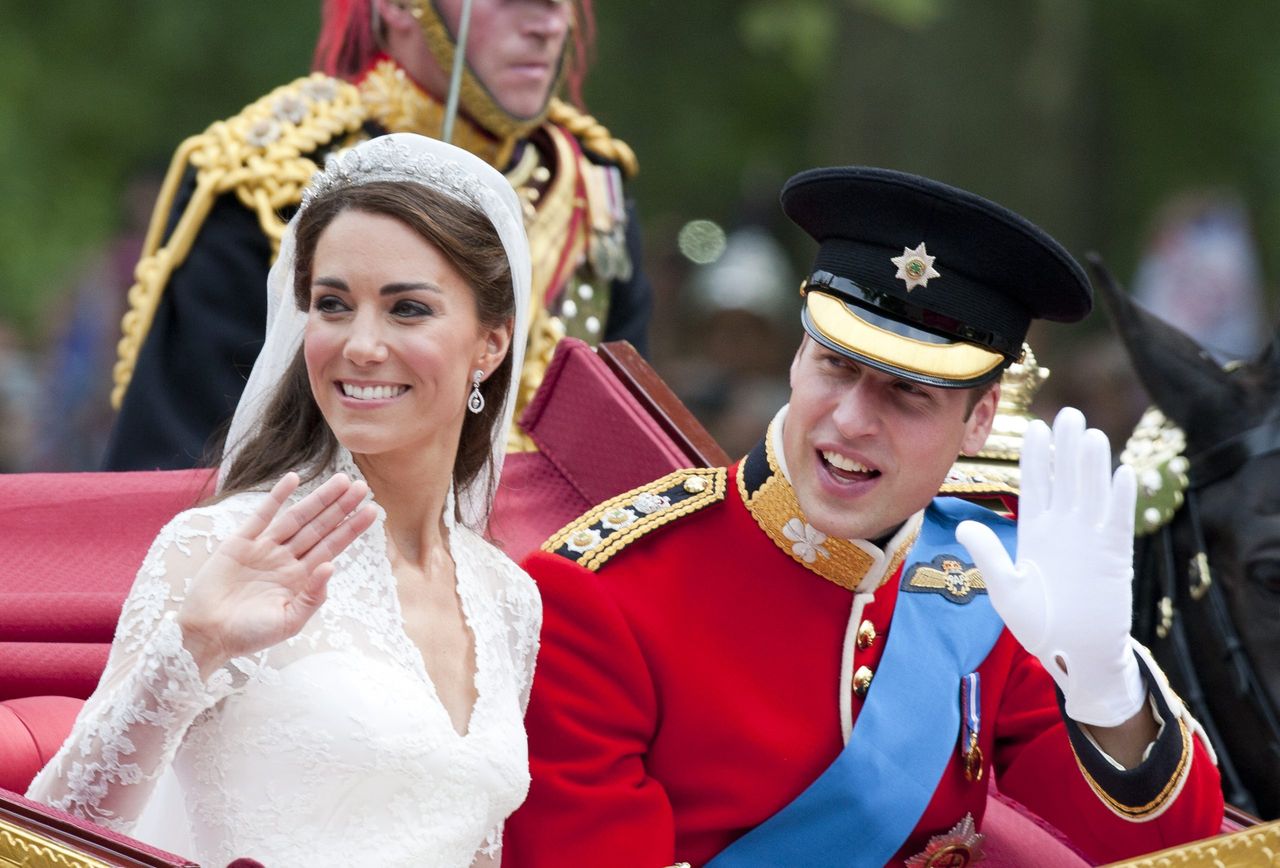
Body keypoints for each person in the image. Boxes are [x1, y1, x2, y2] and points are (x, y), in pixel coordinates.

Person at [502, 167, 1225, 866]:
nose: (851, 421)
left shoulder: (984, 582)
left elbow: (1170, 849)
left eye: (908, 394)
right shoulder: (603, 593)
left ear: (979, 422)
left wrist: (1106, 687)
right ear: (797, 357)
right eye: (837, 366)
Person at [28, 134, 540, 868]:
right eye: (333, 305)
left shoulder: (509, 600)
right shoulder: (216, 547)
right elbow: (50, 839)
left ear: (490, 344)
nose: (360, 344)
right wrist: (192, 650)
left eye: (407, 310)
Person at [104, 0, 648, 471]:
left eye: (558, 3)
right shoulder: (270, 178)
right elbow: (181, 452)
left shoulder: (593, 190)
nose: (547, 26)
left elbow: (617, 457)